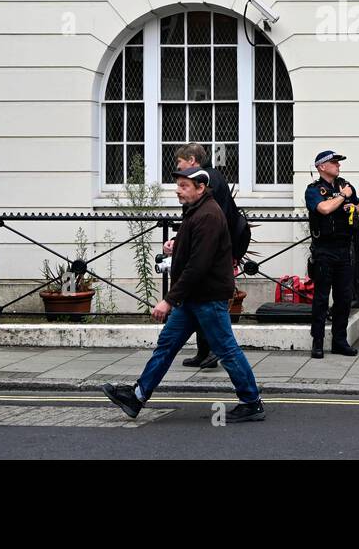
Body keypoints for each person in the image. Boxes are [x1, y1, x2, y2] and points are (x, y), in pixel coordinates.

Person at [103, 166, 265, 423]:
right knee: (166, 345)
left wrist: (169, 299)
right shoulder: (196, 211)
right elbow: (194, 248)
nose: (178, 191)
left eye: (183, 186)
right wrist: (176, 244)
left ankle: (251, 402)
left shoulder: (209, 215)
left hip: (208, 298)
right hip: (193, 299)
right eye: (178, 186)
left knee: (227, 350)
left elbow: (198, 265)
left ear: (201, 188)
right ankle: (137, 396)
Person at [169, 142, 245, 371]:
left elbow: (210, 219)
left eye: (180, 163)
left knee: (209, 302)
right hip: (219, 247)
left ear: (192, 161)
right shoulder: (214, 176)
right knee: (201, 300)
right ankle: (205, 351)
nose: (179, 168)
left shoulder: (207, 180)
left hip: (215, 250)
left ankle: (212, 352)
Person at [304, 150, 359, 359]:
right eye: (334, 162)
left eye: (338, 162)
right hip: (324, 250)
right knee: (321, 298)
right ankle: (317, 342)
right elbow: (324, 209)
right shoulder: (313, 190)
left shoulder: (345, 185)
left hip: (343, 249)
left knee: (344, 298)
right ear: (321, 166)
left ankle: (339, 341)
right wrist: (342, 197)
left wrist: (353, 207)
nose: (338, 165)